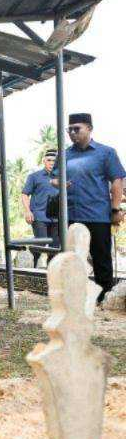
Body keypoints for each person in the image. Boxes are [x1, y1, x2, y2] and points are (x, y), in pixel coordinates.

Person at [63, 113, 125, 304]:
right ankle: (78, 298)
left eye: (77, 128)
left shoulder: (106, 152)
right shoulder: (65, 154)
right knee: (74, 259)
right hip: (72, 216)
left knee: (101, 259)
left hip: (98, 216)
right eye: (69, 129)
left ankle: (105, 297)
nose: (72, 133)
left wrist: (115, 210)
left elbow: (117, 181)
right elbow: (57, 180)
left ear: (89, 128)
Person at [21, 149, 59, 266]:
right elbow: (25, 194)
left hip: (57, 218)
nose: (52, 163)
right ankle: (33, 264)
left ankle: (50, 273)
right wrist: (27, 211)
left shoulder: (62, 178)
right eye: (49, 160)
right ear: (44, 161)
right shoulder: (34, 176)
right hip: (39, 216)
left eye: (54, 160)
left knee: (55, 248)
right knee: (41, 242)